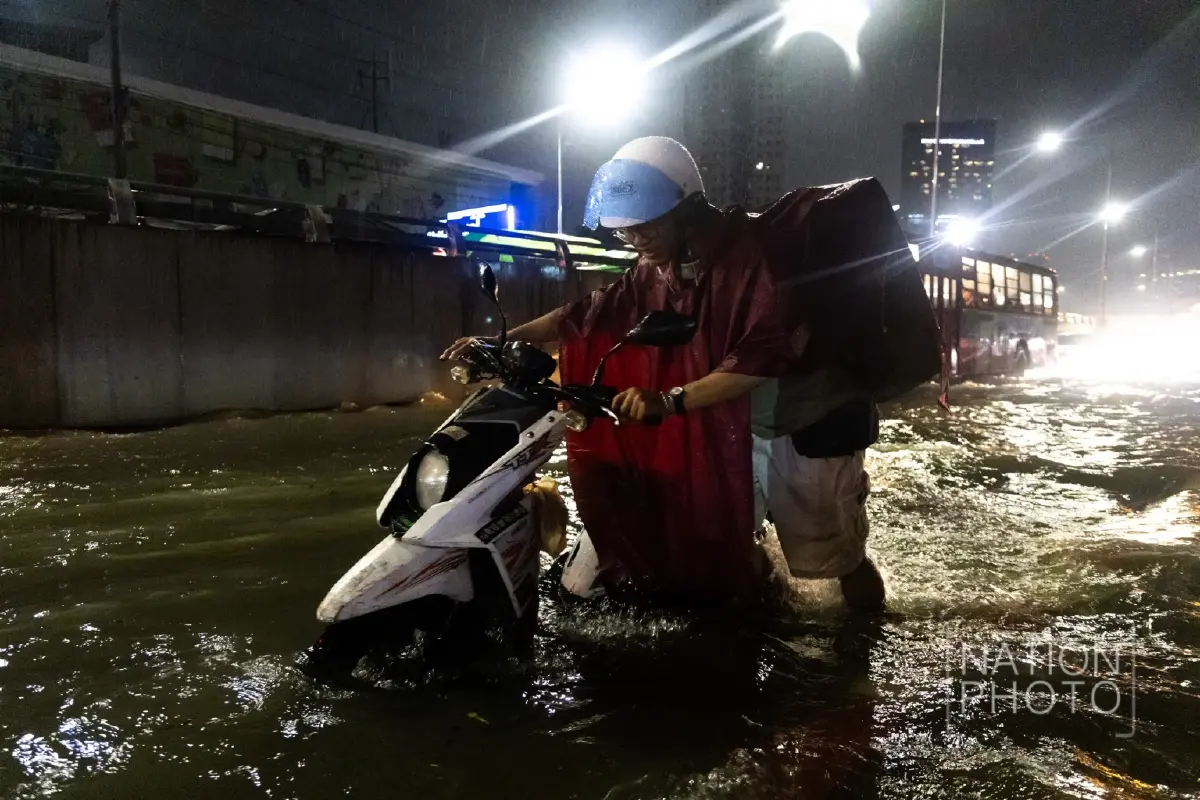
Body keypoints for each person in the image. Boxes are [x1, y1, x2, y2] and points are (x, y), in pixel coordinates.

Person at [444, 136, 794, 607]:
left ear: (686, 213)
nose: (636, 239)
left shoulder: (748, 260)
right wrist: (502, 343)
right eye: (627, 231)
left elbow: (761, 358)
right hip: (707, 423)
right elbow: (588, 313)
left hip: (781, 424)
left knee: (822, 554)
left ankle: (838, 640)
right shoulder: (654, 269)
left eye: (647, 226)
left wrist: (669, 399)